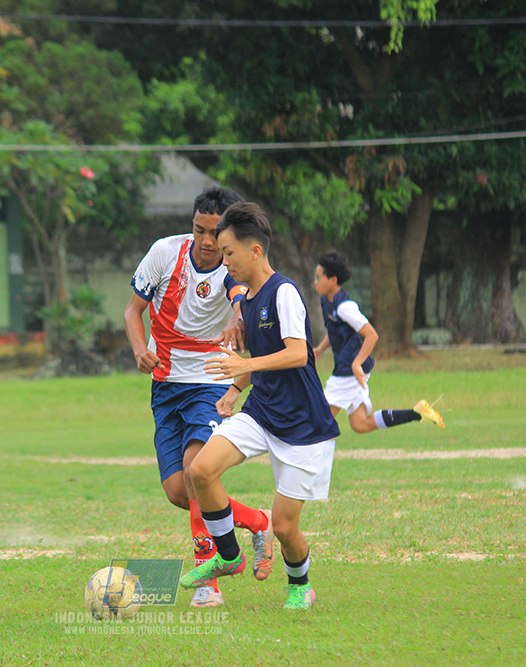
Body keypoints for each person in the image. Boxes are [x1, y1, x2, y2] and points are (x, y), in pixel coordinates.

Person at [178, 202, 340, 610]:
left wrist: (244, 364)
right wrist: (236, 388)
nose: (223, 259)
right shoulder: (247, 298)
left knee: (285, 527)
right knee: (200, 470)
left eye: (229, 252)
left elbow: (298, 353)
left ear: (254, 251)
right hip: (262, 411)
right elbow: (259, 356)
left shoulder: (283, 292)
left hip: (305, 425)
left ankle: (301, 584)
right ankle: (229, 555)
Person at [124, 187, 274, 609]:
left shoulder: (233, 263)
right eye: (199, 230)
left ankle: (210, 580)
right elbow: (131, 311)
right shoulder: (164, 253)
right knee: (178, 489)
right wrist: (140, 350)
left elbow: (241, 297)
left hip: (209, 380)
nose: (207, 242)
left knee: (195, 472)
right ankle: (255, 521)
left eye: (215, 233)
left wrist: (238, 318)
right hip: (164, 383)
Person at [312, 250, 445, 433]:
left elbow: (371, 335)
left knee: (319, 419)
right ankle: (418, 413)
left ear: (333, 280)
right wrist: (320, 349)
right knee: (360, 424)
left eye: (319, 277)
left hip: (349, 370)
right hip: (349, 367)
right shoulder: (326, 301)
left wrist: (357, 364)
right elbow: (335, 330)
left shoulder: (345, 307)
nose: (315, 282)